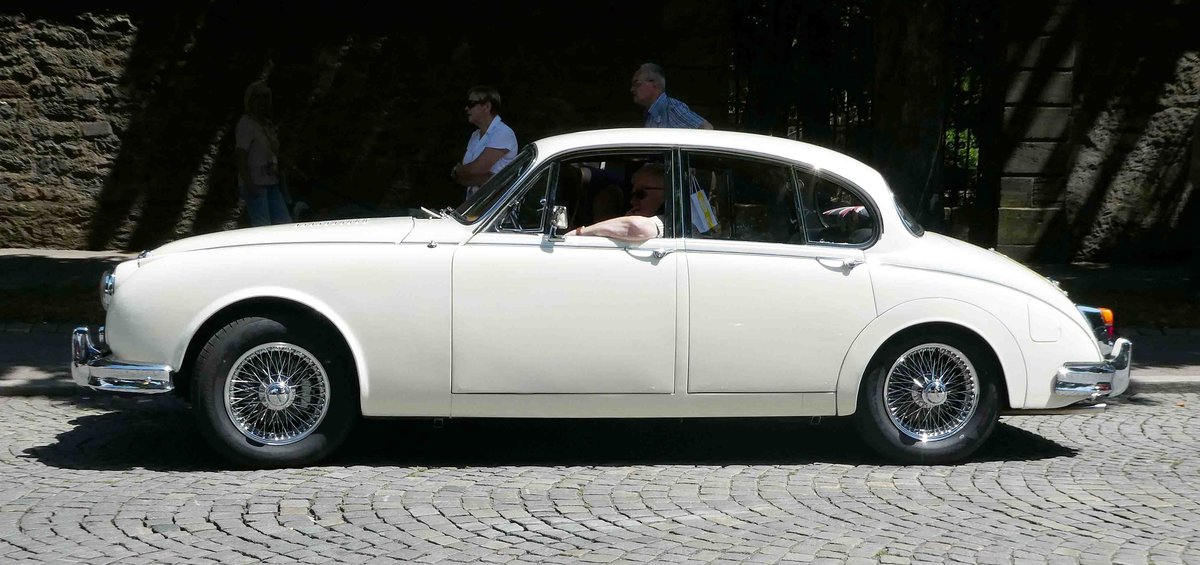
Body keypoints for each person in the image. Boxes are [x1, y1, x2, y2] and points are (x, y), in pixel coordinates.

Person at [235, 80, 292, 227]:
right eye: (258, 97)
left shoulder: (267, 124)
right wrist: (249, 183)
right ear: (250, 100)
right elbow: (241, 155)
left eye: (266, 97)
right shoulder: (246, 123)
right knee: (262, 225)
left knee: (284, 223)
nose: (262, 101)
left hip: (271, 181)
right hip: (255, 183)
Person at [451, 85, 518, 201]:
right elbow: (466, 178)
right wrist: (472, 175)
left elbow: (475, 170)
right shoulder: (475, 135)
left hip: (495, 206)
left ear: (487, 107)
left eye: (471, 104)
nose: (466, 108)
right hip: (475, 204)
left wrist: (457, 171)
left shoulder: (503, 133)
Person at [569, 163, 666, 242]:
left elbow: (636, 227)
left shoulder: (666, 221)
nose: (632, 201)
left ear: (666, 193)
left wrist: (579, 233)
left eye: (640, 194)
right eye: (632, 195)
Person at [631, 62, 713, 130]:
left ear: (654, 83)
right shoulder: (651, 113)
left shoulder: (672, 108)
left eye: (637, 83)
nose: (632, 89)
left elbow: (707, 128)